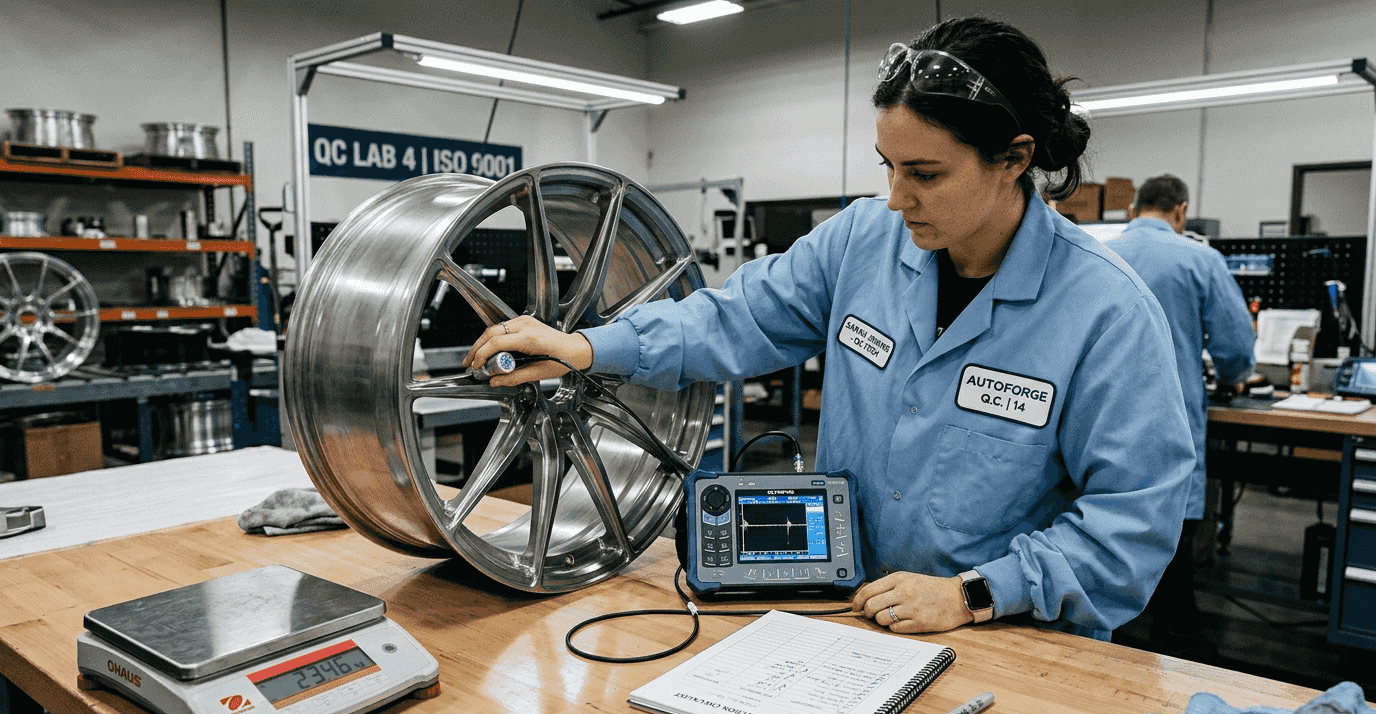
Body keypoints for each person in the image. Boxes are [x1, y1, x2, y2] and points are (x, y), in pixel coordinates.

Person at [463, 17, 1195, 640]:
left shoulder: (1105, 311)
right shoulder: (862, 243)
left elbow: (1132, 519)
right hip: (855, 617)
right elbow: (738, 316)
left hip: (1012, 638)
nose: (897, 197)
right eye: (888, 166)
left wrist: (975, 593)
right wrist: (588, 347)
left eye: (926, 174)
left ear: (1015, 158)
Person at [1106, 174, 1255, 652]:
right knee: (1169, 536)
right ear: (1180, 211)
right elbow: (1234, 346)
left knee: (1101, 520)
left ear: (1133, 209)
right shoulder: (1199, 258)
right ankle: (1173, 647)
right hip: (1169, 413)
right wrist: (1234, 376)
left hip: (1093, 416)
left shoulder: (1097, 254)